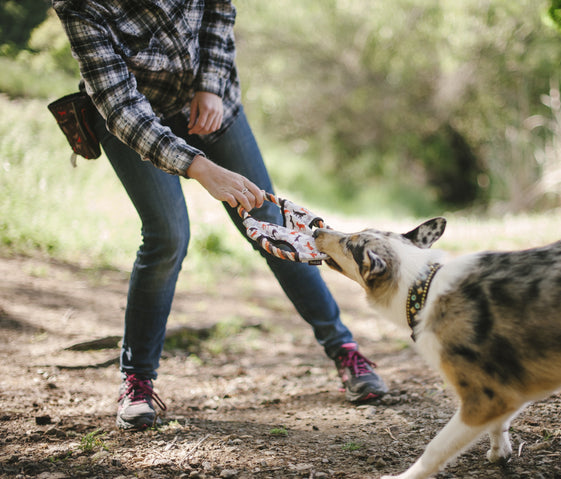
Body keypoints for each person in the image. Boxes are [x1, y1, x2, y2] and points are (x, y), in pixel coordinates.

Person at [52, 0, 388, 430]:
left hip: (213, 104)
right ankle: (137, 380)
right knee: (166, 237)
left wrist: (210, 84)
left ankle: (345, 350)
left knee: (272, 226)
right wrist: (198, 167)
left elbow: (218, 9)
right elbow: (119, 108)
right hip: (136, 119)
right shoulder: (79, 7)